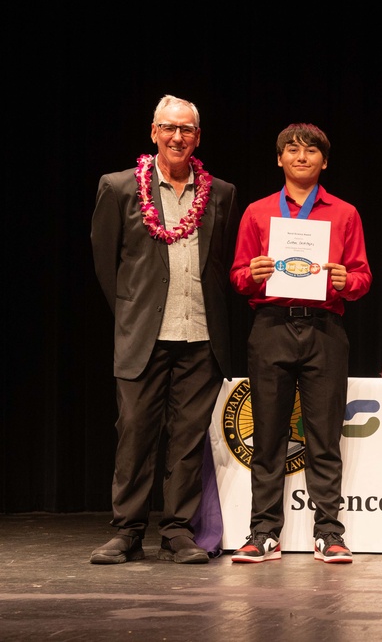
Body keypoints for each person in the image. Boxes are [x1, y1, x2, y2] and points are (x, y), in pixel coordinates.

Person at [90, 95, 238, 565]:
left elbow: (221, 264)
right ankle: (127, 531)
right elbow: (105, 263)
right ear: (153, 132)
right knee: (134, 433)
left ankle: (177, 531)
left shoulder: (221, 193)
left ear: (198, 137)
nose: (178, 137)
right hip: (142, 336)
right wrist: (132, 312)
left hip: (200, 333)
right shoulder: (118, 188)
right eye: (169, 128)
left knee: (189, 438)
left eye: (188, 130)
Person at [229, 123, 372, 564]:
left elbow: (363, 277)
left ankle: (329, 532)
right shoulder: (256, 212)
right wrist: (249, 275)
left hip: (325, 329)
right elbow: (236, 276)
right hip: (271, 326)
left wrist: (349, 282)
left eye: (311, 151)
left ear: (324, 161)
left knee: (324, 436)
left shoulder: (344, 213)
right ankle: (263, 533)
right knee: (268, 436)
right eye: (292, 150)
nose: (302, 156)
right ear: (279, 159)